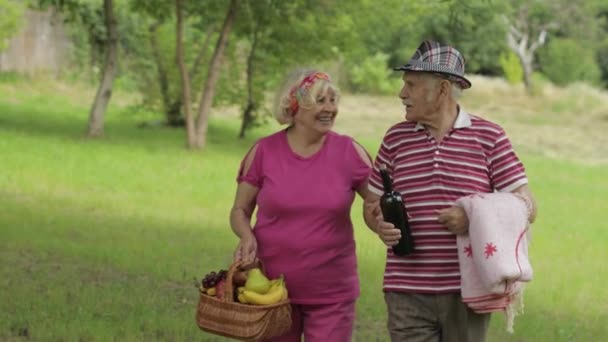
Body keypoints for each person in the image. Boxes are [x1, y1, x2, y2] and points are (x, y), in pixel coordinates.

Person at [363, 40, 538, 342]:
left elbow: (528, 206)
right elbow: (371, 204)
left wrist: (475, 216)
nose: (401, 93)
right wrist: (378, 225)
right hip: (405, 290)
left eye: (411, 85)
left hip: (468, 290)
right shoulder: (395, 139)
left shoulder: (489, 137)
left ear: (442, 89)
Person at [230, 68, 372, 341]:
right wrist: (245, 235)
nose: (330, 108)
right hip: (270, 290)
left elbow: (379, 205)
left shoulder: (350, 152)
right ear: (293, 105)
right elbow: (239, 210)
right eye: (321, 101)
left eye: (333, 101)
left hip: (332, 292)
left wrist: (385, 221)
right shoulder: (263, 151)